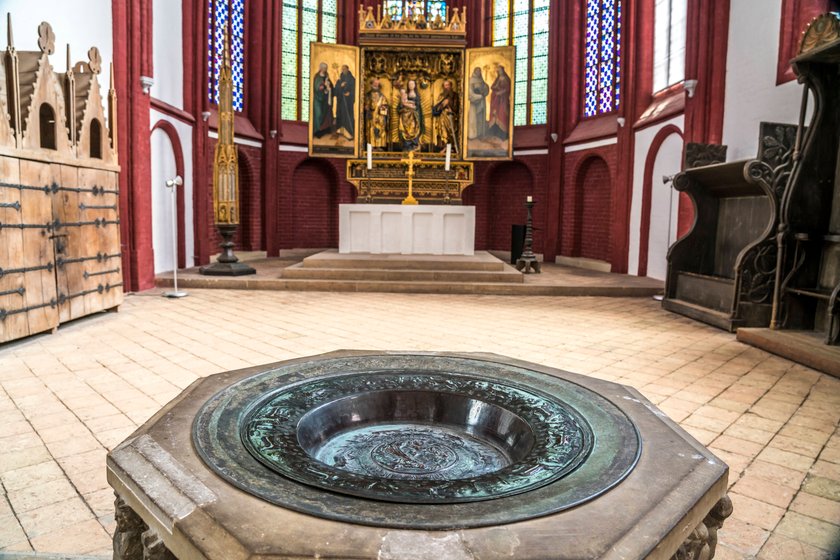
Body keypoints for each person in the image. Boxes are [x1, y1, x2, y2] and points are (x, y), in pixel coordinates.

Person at [432, 79, 458, 152]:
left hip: (451, 116)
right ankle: (445, 146)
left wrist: (449, 104)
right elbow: (437, 108)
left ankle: (451, 146)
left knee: (450, 130)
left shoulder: (455, 95)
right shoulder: (441, 96)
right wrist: (443, 104)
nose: (447, 87)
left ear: (451, 86)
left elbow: (456, 108)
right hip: (442, 117)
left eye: (448, 85)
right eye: (445, 85)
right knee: (443, 132)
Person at [398, 79, 424, 151]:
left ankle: (414, 144)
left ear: (415, 85)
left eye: (412, 84)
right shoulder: (405, 94)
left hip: (414, 116)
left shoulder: (417, 95)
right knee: (406, 130)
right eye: (409, 84)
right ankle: (407, 145)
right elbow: (400, 105)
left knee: (414, 128)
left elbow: (417, 106)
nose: (411, 86)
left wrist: (413, 107)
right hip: (406, 117)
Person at [487, 65, 511, 141]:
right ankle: (494, 133)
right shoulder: (497, 79)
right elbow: (493, 86)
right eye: (498, 71)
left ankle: (503, 134)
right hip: (496, 100)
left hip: (503, 100)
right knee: (495, 115)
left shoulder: (506, 79)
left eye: (500, 70)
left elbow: (508, 89)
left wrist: (501, 92)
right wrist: (496, 88)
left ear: (503, 71)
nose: (499, 72)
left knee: (502, 114)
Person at [366, 78, 390, 149]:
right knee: (372, 130)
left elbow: (385, 104)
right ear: (372, 83)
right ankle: (372, 146)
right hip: (372, 114)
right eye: (375, 83)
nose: (376, 85)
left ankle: (379, 145)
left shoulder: (381, 95)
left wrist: (383, 107)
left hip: (380, 116)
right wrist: (367, 107)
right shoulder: (368, 95)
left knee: (380, 130)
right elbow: (366, 104)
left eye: (377, 83)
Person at [334, 64, 356, 140]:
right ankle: (341, 130)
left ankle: (349, 132)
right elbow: (335, 90)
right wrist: (341, 86)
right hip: (341, 101)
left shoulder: (352, 79)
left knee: (347, 115)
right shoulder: (339, 80)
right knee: (340, 114)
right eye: (342, 69)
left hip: (348, 101)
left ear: (348, 69)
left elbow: (355, 89)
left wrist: (350, 94)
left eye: (345, 69)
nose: (343, 71)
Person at [312, 62, 333, 139]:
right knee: (318, 114)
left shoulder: (327, 77)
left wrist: (329, 88)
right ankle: (317, 131)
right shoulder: (317, 77)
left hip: (325, 99)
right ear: (320, 68)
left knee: (324, 113)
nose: (325, 69)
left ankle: (323, 129)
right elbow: (317, 87)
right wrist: (323, 85)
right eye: (324, 68)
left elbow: (330, 86)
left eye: (326, 68)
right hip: (318, 99)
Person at [467, 67, 489, 140]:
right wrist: (479, 96)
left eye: (480, 71)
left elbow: (486, 89)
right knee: (474, 118)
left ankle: (480, 134)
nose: (479, 72)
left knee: (481, 117)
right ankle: (473, 135)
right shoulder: (471, 81)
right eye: (477, 71)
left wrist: (485, 89)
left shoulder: (481, 80)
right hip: (475, 103)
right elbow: (470, 93)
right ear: (474, 72)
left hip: (481, 101)